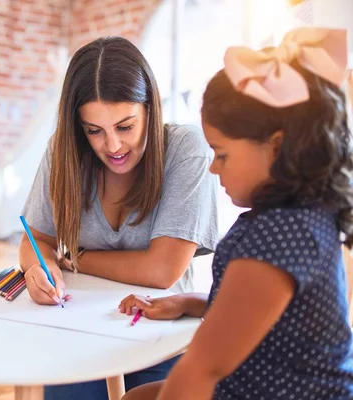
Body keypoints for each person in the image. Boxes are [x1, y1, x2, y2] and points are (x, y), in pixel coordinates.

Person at [121, 27, 353, 399]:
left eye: (222, 154)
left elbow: (204, 366)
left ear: (276, 148)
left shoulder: (280, 236)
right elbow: (254, 311)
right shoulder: (299, 215)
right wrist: (185, 302)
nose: (214, 168)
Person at [19, 36, 218, 400]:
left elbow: (162, 272)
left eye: (125, 126)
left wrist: (74, 259)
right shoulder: (63, 151)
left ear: (150, 110)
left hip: (158, 339)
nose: (111, 147)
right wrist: (40, 269)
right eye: (94, 130)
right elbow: (36, 242)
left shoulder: (186, 149)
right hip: (77, 336)